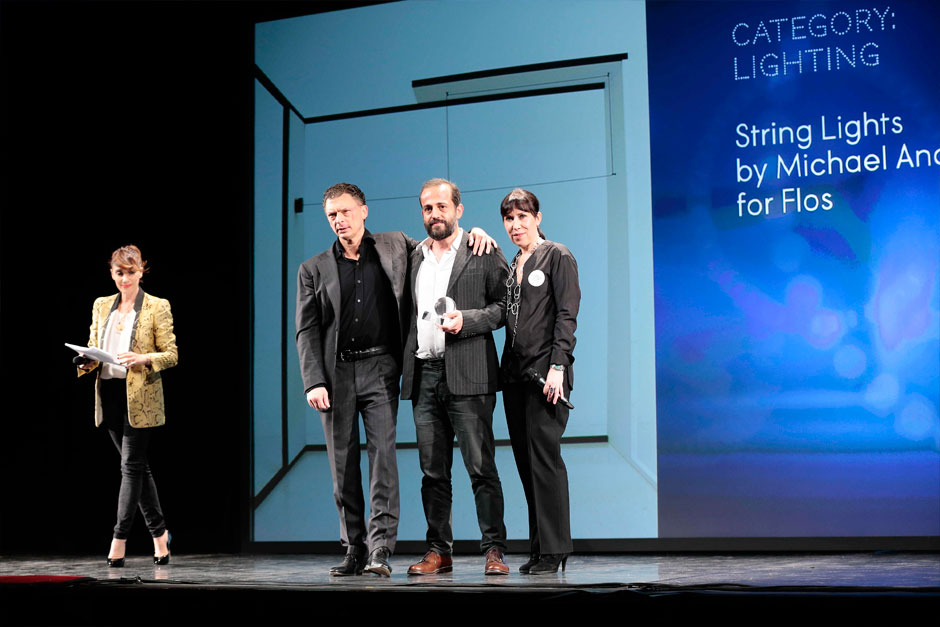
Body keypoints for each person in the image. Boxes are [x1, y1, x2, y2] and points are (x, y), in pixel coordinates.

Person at [296, 182, 496, 577]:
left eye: (346, 212)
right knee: (342, 466)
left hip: (380, 369)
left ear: (364, 211)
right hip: (335, 375)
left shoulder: (395, 246)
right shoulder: (313, 268)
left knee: (382, 462)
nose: (339, 220)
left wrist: (476, 233)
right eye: (332, 215)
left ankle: (381, 550)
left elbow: (443, 240)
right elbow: (307, 330)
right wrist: (312, 380)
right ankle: (354, 547)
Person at [401, 178, 511, 576]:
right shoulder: (413, 256)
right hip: (425, 375)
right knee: (433, 472)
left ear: (459, 210)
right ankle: (438, 551)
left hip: (469, 375)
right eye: (428, 208)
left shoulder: (481, 250)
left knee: (481, 468)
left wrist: (468, 320)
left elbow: (504, 307)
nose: (435, 214)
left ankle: (494, 550)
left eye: (442, 207)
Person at [76, 245, 178, 567]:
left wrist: (144, 358)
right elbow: (94, 348)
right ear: (112, 273)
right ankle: (160, 536)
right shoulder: (101, 305)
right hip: (109, 395)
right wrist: (85, 360)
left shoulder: (156, 306)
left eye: (131, 272)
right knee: (138, 469)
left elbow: (171, 354)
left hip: (140, 398)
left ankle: (118, 540)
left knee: (130, 468)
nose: (125, 278)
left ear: (141, 271)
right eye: (119, 272)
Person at [499, 188, 580, 574]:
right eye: (509, 219)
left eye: (522, 217)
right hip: (515, 376)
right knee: (526, 465)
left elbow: (567, 315)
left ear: (538, 217)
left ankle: (555, 548)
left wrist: (558, 367)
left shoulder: (557, 255)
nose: (516, 226)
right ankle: (539, 547)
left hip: (546, 374)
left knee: (545, 461)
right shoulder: (513, 262)